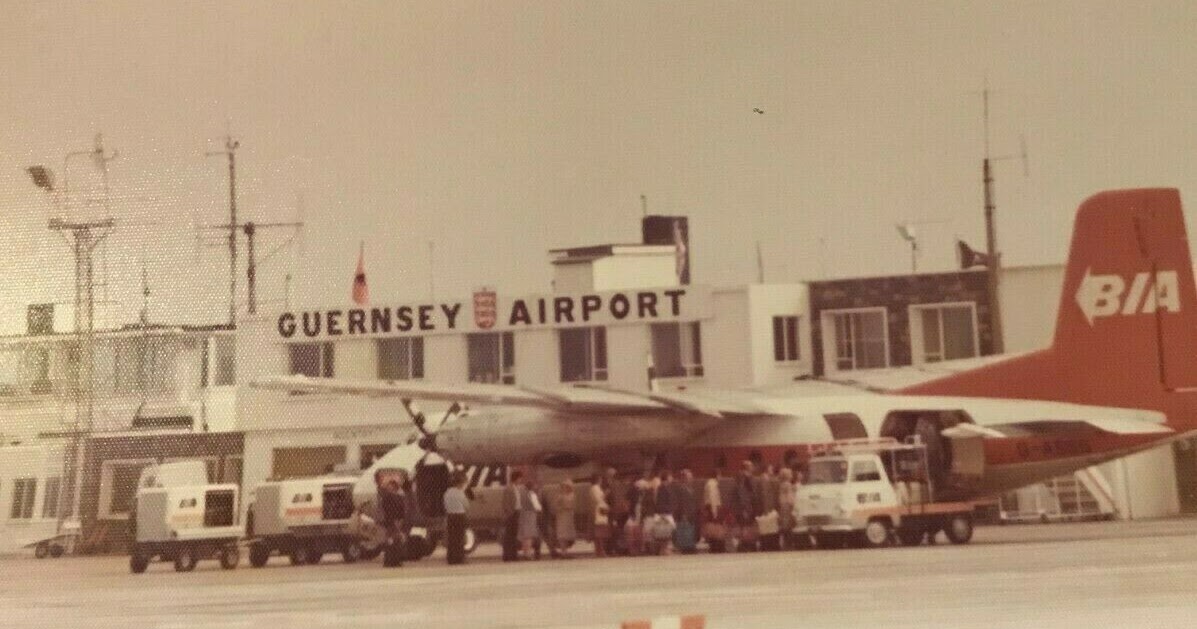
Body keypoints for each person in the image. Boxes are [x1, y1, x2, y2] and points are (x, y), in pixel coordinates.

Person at [376, 471, 407, 568]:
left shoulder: (388, 498)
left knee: (391, 541)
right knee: (394, 541)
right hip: (393, 522)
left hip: (391, 522)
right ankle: (394, 560)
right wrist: (399, 521)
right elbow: (402, 511)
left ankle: (390, 560)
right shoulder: (395, 498)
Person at [443, 470, 470, 565]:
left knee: (451, 538)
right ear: (460, 484)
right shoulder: (460, 493)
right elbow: (466, 505)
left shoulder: (447, 492)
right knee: (459, 537)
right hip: (460, 516)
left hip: (450, 516)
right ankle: (459, 557)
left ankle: (451, 558)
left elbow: (445, 505)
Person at [501, 470, 526, 562]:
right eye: (520, 478)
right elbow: (506, 503)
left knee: (514, 535)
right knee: (509, 536)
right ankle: (508, 555)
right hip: (512, 514)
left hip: (517, 512)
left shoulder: (516, 488)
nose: (521, 480)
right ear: (516, 478)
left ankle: (513, 554)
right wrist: (510, 513)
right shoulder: (509, 488)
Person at [605, 468, 630, 555]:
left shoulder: (611, 486)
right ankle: (621, 548)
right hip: (623, 511)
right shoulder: (621, 485)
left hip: (614, 512)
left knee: (613, 531)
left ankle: (613, 549)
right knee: (620, 530)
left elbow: (610, 499)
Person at [518, 479, 542, 559]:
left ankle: (525, 553)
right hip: (531, 515)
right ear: (532, 487)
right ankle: (528, 554)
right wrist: (540, 509)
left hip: (523, 515)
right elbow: (537, 507)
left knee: (524, 536)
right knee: (529, 536)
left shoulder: (521, 494)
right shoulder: (532, 494)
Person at [553, 480, 577, 558]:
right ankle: (563, 552)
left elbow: (573, 504)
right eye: (564, 487)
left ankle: (565, 551)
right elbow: (555, 506)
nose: (565, 488)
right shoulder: (559, 496)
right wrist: (560, 509)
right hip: (562, 516)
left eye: (567, 487)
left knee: (567, 534)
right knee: (562, 534)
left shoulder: (572, 495)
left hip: (569, 516)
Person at [590, 472, 611, 557]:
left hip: (601, 510)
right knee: (600, 532)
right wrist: (606, 494)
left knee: (600, 532)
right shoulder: (595, 488)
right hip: (599, 511)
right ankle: (600, 551)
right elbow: (598, 499)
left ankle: (599, 551)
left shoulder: (597, 488)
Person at [777, 468, 796, 550]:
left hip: (782, 505)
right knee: (789, 525)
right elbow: (790, 496)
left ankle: (785, 544)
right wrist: (793, 504)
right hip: (787, 505)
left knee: (784, 524)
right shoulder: (788, 485)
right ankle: (789, 544)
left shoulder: (781, 485)